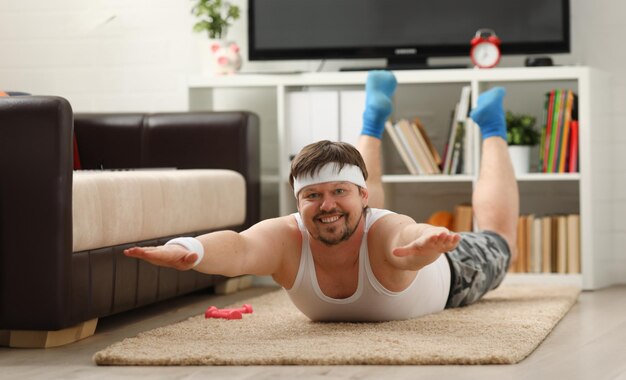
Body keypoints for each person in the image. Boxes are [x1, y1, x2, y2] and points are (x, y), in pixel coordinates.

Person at [124, 70, 518, 321]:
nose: (326, 204)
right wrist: (190, 249)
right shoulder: (287, 239)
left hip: (455, 274)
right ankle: (373, 117)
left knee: (499, 239)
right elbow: (240, 248)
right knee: (347, 214)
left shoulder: (387, 230)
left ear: (363, 195)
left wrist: (430, 243)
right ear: (296, 202)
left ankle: (491, 123)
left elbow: (409, 242)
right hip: (378, 220)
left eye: (338, 191)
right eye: (312, 195)